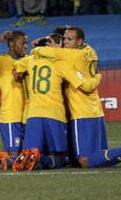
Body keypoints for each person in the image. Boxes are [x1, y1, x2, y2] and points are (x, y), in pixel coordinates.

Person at [31, 27, 121, 168]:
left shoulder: (70, 58)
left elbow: (85, 85)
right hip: (96, 110)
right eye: (64, 39)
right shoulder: (90, 50)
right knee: (100, 155)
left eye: (69, 39)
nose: (65, 42)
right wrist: (97, 76)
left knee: (85, 160)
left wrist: (36, 48)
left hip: (81, 112)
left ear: (79, 42)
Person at [12, 33, 104, 171]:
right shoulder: (61, 64)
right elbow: (84, 85)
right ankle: (40, 158)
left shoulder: (29, 60)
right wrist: (97, 76)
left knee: (28, 154)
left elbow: (15, 72)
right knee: (61, 158)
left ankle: (5, 158)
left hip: (32, 114)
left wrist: (20, 74)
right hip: (55, 114)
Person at [0, 31, 28, 170]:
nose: (25, 46)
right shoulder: (2, 61)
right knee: (16, 158)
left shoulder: (29, 60)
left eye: (27, 43)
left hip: (29, 116)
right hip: (11, 115)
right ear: (11, 43)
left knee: (27, 157)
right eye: (22, 43)